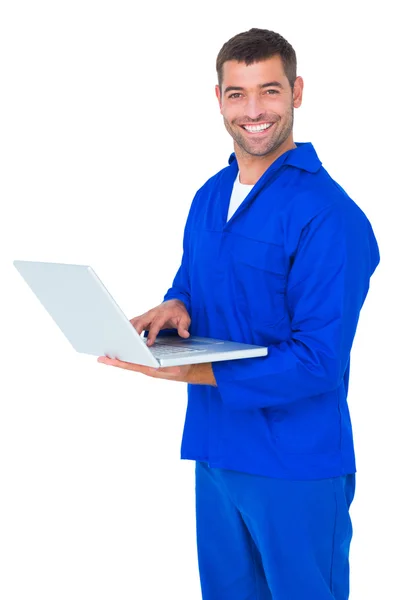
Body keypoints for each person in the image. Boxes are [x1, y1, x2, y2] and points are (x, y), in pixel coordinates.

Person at [98, 28, 380, 600]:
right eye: (237, 94)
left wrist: (185, 371)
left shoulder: (329, 215)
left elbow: (318, 361)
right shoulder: (210, 194)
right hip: (216, 449)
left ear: (297, 93)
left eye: (269, 91)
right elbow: (195, 283)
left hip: (295, 463)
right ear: (219, 99)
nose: (253, 111)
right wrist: (176, 304)